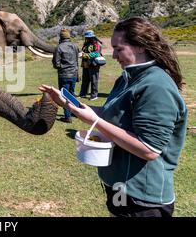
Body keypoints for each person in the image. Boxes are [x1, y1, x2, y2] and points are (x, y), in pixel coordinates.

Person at [40, 17, 187, 217]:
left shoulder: (156, 86)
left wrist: (94, 121)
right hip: (121, 187)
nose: (114, 56)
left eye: (119, 49)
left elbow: (149, 149)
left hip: (142, 200)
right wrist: (68, 104)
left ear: (141, 47)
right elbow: (112, 113)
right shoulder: (128, 77)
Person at [52, 28, 80, 123]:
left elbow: (56, 63)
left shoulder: (59, 47)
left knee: (64, 95)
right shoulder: (75, 46)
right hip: (74, 73)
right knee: (72, 94)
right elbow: (77, 60)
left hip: (64, 74)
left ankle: (67, 116)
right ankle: (76, 113)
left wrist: (61, 66)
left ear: (61, 37)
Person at [79, 30, 103, 101]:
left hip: (93, 64)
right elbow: (83, 50)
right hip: (85, 64)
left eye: (89, 37)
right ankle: (83, 94)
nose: (87, 39)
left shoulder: (97, 44)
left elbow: (96, 54)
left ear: (92, 37)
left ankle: (94, 95)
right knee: (85, 80)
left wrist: (85, 55)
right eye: (86, 37)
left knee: (94, 80)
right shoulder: (86, 43)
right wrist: (82, 53)